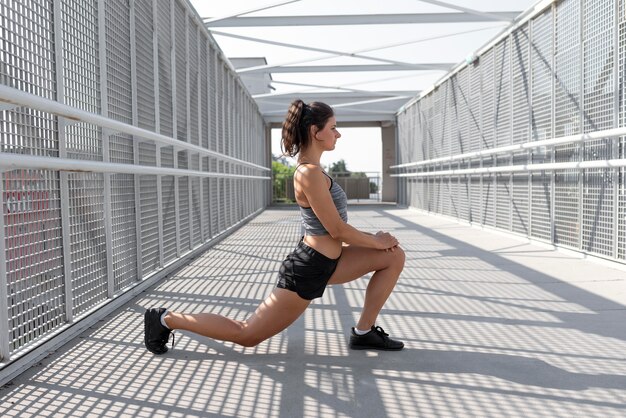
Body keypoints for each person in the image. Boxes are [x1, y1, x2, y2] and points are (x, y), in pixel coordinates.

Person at [144, 100, 405, 354]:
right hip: (309, 268)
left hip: (332, 262)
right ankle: (166, 319)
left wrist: (378, 241)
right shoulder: (308, 173)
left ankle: (363, 332)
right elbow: (336, 230)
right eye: (333, 127)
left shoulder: (316, 170)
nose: (338, 133)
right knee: (247, 334)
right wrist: (377, 241)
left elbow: (332, 229)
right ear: (316, 132)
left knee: (394, 256)